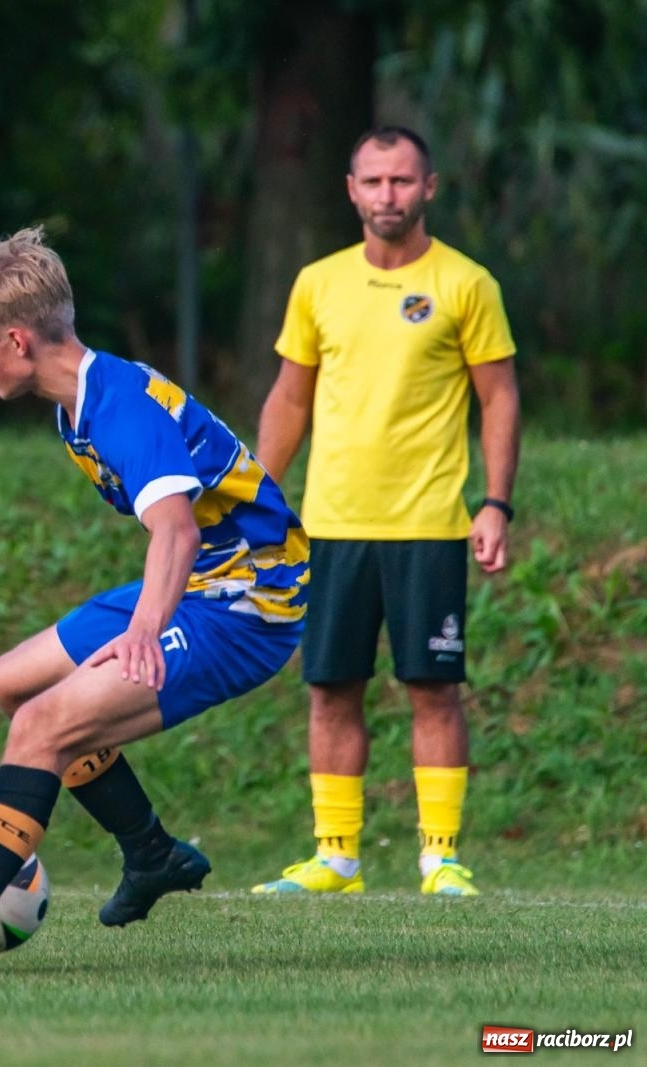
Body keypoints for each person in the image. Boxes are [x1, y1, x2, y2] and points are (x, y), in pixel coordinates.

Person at [0, 227, 309, 976]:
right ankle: (151, 851)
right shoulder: (76, 398)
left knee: (44, 725)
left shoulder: (119, 408)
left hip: (248, 600)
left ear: (16, 338)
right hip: (208, 574)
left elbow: (172, 527)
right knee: (15, 681)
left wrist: (146, 631)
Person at [251, 126, 520, 898]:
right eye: (373, 182)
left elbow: (498, 395)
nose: (387, 196)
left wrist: (494, 503)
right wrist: (260, 501)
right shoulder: (318, 283)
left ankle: (441, 857)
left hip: (429, 524)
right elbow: (290, 396)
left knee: (433, 686)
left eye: (402, 181)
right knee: (330, 687)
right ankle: (336, 858)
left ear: (429, 187)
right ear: (350, 190)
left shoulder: (467, 283)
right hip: (332, 523)